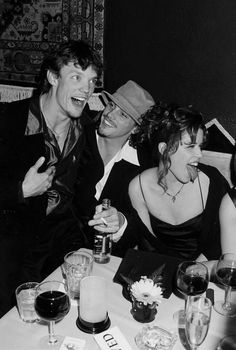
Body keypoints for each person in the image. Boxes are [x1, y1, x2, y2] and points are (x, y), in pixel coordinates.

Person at [0, 40, 103, 316]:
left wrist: (100, 224)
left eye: (92, 81)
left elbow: (82, 196)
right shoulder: (9, 120)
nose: (87, 88)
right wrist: (20, 189)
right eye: (76, 77)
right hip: (11, 248)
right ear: (53, 77)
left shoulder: (86, 129)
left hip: (61, 247)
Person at [114, 102, 230, 261]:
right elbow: (145, 243)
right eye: (190, 146)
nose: (199, 154)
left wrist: (190, 274)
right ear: (164, 149)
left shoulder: (212, 181)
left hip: (202, 274)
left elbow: (219, 243)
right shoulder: (138, 187)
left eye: (200, 146)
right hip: (157, 273)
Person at [74, 80, 155, 248]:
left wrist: (121, 221)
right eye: (111, 105)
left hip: (107, 257)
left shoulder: (143, 166)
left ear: (136, 129)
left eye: (123, 114)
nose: (110, 114)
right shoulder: (76, 138)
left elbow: (143, 229)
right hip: (56, 250)